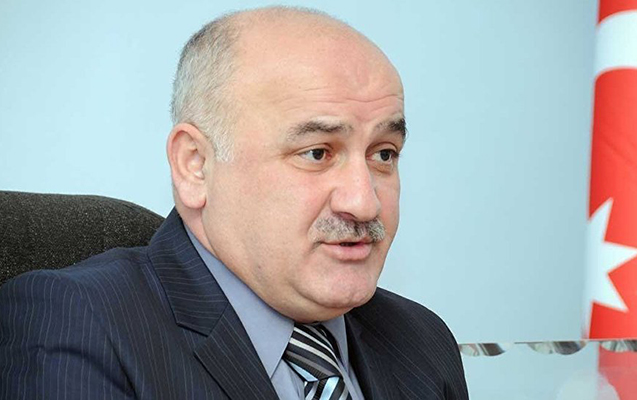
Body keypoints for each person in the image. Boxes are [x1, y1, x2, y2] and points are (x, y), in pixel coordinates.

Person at [0, 6, 468, 400]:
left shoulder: (421, 340)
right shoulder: (78, 325)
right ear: (195, 165)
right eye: (316, 153)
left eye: (384, 154)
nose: (364, 204)